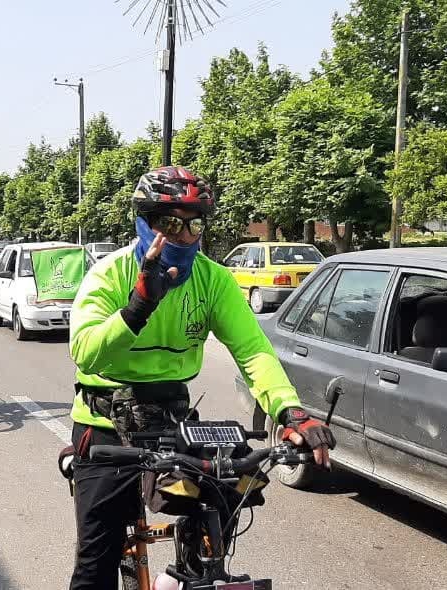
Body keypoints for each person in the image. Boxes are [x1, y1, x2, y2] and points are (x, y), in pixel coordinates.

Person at [66, 166, 335, 589]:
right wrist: (137, 307)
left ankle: (189, 575)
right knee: (96, 562)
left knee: (223, 499)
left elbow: (253, 351)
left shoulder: (214, 280)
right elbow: (84, 350)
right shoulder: (109, 274)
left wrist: (290, 411)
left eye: (194, 225)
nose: (184, 236)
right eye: (170, 224)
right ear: (143, 223)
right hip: (104, 427)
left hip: (171, 421)